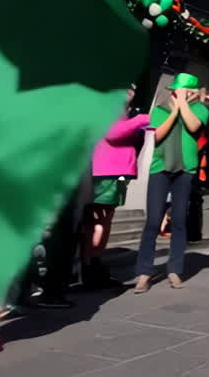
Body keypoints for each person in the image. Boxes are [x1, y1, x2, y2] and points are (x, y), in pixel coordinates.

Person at [134, 73, 208, 293]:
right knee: (153, 222)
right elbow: (156, 136)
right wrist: (175, 110)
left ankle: (175, 269)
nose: (179, 93)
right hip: (160, 168)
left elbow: (193, 127)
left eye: (184, 91)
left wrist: (184, 104)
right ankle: (144, 272)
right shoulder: (159, 110)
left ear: (193, 92)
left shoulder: (200, 109)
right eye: (177, 90)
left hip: (185, 169)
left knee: (178, 221)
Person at [84, 85, 148, 288]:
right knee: (99, 220)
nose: (133, 89)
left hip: (114, 171)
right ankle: (90, 266)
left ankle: (94, 264)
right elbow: (113, 133)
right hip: (106, 171)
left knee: (105, 219)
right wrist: (143, 119)